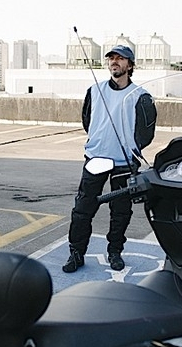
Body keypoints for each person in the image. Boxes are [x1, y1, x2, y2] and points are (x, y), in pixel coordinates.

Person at [62, 45, 157, 273]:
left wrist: (131, 149)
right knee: (83, 209)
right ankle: (76, 253)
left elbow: (146, 133)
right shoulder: (94, 91)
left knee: (121, 211)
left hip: (124, 163)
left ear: (130, 65)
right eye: (111, 58)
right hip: (96, 158)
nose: (115, 62)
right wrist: (99, 142)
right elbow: (88, 121)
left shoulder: (141, 96)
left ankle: (115, 251)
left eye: (120, 58)